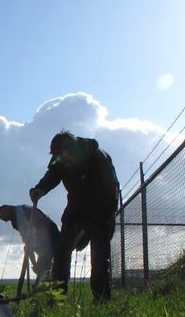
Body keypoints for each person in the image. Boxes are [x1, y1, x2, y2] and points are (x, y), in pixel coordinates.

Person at [29, 130, 119, 303]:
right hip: (76, 209)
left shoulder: (99, 158)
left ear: (75, 150)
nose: (65, 163)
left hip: (102, 210)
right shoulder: (60, 157)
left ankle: (101, 299)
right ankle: (56, 298)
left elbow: (109, 195)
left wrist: (88, 230)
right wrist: (41, 188)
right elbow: (53, 173)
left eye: (66, 158)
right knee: (62, 251)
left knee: (99, 257)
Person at [0, 204, 60, 280]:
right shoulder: (16, 218)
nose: (5, 221)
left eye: (3, 217)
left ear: (7, 210)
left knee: (44, 265)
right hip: (42, 240)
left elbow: (41, 223)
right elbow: (25, 236)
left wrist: (34, 241)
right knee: (29, 249)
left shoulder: (24, 211)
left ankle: (45, 276)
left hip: (50, 237)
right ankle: (38, 268)